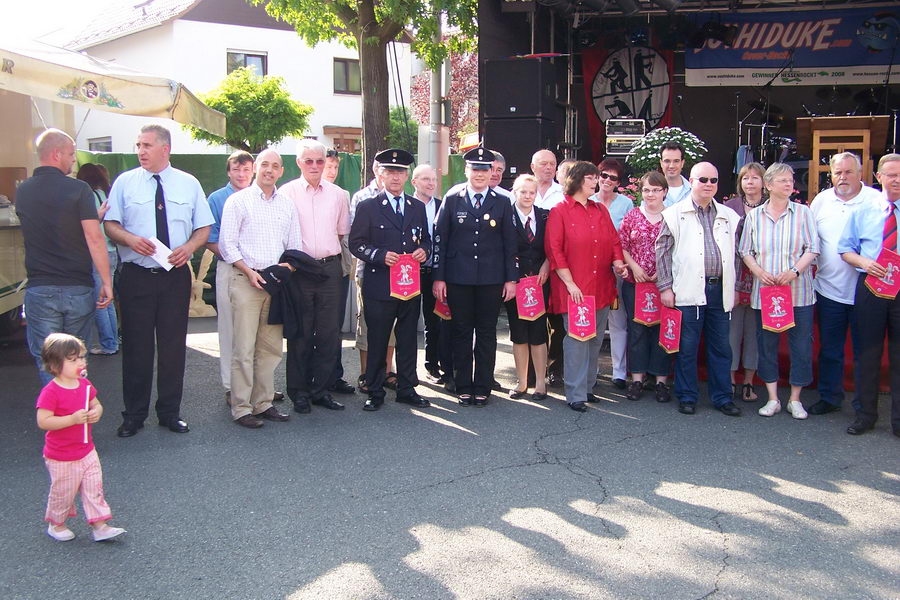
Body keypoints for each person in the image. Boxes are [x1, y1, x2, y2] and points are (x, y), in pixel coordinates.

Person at [104, 124, 213, 437]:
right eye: (138, 144)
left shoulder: (187, 183)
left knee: (173, 347)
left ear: (165, 148)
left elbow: (203, 227)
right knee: (137, 348)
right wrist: (129, 238)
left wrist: (189, 248)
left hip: (173, 276)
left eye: (147, 145)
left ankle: (170, 412)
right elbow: (110, 223)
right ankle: (133, 416)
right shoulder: (125, 182)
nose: (141, 151)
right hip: (137, 275)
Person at [15, 129, 113, 385]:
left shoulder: (23, 190)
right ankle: (76, 414)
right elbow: (95, 238)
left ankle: (56, 419)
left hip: (40, 287)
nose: (73, 160)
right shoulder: (79, 189)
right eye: (71, 154)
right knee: (75, 359)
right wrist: (106, 281)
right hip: (78, 287)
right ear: (56, 154)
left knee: (47, 360)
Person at [219, 150, 300, 428]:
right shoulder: (237, 201)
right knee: (243, 347)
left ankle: (263, 403)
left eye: (275, 166)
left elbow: (294, 246)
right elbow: (227, 244)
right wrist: (248, 271)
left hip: (275, 285)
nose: (269, 170)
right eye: (264, 164)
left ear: (281, 171)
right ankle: (241, 408)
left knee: (271, 348)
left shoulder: (287, 204)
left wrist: (286, 270)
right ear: (255, 168)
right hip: (245, 281)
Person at [432, 147, 518, 406]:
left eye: (485, 169)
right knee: (460, 331)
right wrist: (439, 277)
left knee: (486, 333)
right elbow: (440, 240)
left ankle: (482, 385)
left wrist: (511, 279)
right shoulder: (453, 197)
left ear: (492, 172)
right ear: (466, 170)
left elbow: (510, 243)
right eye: (475, 169)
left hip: (491, 280)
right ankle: (463, 384)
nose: (479, 174)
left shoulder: (502, 201)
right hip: (458, 277)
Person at [656, 162, 742, 417]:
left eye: (713, 180)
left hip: (719, 289)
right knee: (688, 347)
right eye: (702, 179)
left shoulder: (729, 215)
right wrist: (665, 287)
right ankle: (687, 396)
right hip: (688, 289)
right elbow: (662, 252)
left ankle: (723, 397)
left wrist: (735, 287)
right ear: (691, 181)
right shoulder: (674, 213)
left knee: (721, 348)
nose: (708, 184)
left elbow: (736, 255)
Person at [350, 149, 431, 411]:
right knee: (378, 339)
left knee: (408, 339)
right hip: (380, 284)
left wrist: (424, 251)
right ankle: (375, 390)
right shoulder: (368, 206)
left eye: (400, 172)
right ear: (381, 175)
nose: (396, 177)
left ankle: (407, 388)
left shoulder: (417, 207)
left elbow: (426, 239)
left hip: (409, 285)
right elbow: (356, 244)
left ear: (407, 176)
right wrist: (380, 255)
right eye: (390, 172)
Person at [739, 163, 818, 420]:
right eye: (783, 180)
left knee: (801, 347)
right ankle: (772, 397)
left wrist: (794, 271)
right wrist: (759, 272)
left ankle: (795, 398)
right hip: (767, 292)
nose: (789, 184)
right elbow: (745, 251)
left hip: (798, 292)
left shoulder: (804, 213)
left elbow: (813, 248)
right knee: (767, 345)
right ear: (769, 185)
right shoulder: (755, 216)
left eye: (790, 180)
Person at [546, 161, 628, 412]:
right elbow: (554, 250)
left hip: (601, 285)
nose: (597, 182)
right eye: (592, 178)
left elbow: (614, 241)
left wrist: (618, 262)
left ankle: (589, 386)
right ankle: (575, 392)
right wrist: (570, 283)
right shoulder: (560, 210)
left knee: (593, 340)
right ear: (578, 180)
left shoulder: (600, 210)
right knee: (577, 340)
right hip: (575, 288)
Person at [280, 139, 351, 414]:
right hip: (299, 270)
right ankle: (298, 392)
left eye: (319, 161)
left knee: (329, 332)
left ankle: (320, 390)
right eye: (308, 161)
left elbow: (341, 232)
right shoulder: (286, 193)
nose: (314, 166)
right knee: (300, 332)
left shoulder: (338, 195)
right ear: (298, 163)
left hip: (330, 268)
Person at [808, 152, 881, 416]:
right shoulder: (822, 201)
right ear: (831, 175)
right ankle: (830, 397)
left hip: (869, 292)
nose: (843, 177)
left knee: (866, 353)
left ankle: (864, 406)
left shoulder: (876, 200)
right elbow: (809, 239)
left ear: (861, 173)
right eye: (838, 173)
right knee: (830, 350)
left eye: (849, 172)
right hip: (829, 291)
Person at [36, 333, 125, 542]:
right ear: (55, 365)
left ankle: (100, 525)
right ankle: (57, 524)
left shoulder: (84, 385)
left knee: (94, 487)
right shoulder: (51, 391)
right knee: (63, 493)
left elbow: (96, 403)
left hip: (86, 450)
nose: (80, 363)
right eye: (73, 359)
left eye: (81, 358)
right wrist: (72, 419)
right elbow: (43, 421)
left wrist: (97, 412)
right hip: (61, 455)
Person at [838, 153, 900, 437]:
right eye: (890, 174)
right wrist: (865, 263)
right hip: (872, 286)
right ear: (878, 177)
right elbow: (845, 249)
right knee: (868, 353)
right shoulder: (864, 210)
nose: (895, 179)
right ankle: (865, 414)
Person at [205, 150, 255, 403]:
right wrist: (236, 258)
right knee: (229, 328)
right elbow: (209, 238)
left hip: (258, 271)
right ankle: (230, 386)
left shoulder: (261, 196)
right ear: (228, 171)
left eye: (246, 170)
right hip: (228, 268)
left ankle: (256, 386)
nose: (242, 174)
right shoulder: (217, 199)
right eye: (237, 169)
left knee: (258, 330)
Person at [618, 171, 672, 402]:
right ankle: (637, 379)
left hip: (664, 285)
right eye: (647, 190)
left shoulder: (673, 217)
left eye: (656, 190)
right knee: (637, 330)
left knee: (662, 331)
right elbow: (621, 246)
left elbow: (678, 249)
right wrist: (635, 268)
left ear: (665, 192)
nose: (651, 194)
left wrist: (663, 272)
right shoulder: (632, 216)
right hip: (636, 283)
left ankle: (660, 381)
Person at [350, 161, 397, 393]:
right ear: (376, 171)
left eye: (397, 171)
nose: (391, 174)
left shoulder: (400, 197)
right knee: (368, 326)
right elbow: (355, 238)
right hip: (369, 272)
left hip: (398, 276)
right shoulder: (362, 198)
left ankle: (386, 372)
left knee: (391, 329)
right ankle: (367, 374)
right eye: (385, 169)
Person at [723, 162, 766, 403]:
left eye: (755, 178)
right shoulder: (730, 207)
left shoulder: (771, 208)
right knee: (732, 331)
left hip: (762, 279)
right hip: (735, 277)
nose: (750, 182)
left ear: (763, 182)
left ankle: (749, 381)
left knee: (754, 333)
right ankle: (729, 379)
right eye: (745, 178)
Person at [506, 175, 551, 401]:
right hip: (516, 284)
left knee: (538, 333)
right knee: (519, 333)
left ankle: (541, 382)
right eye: (523, 192)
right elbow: (502, 250)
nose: (527, 196)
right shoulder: (506, 217)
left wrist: (547, 265)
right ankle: (522, 381)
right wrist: (510, 279)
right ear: (515, 192)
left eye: (531, 192)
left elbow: (554, 247)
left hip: (540, 283)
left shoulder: (545, 216)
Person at [589, 157, 633, 390]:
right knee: (594, 321)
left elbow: (627, 237)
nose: (607, 180)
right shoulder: (588, 200)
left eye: (612, 178)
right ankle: (591, 370)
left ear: (618, 182)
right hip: (591, 270)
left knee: (618, 320)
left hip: (617, 269)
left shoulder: (626, 204)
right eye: (603, 175)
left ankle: (618, 371)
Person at [322, 148, 356, 395]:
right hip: (309, 266)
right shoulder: (294, 192)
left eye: (335, 167)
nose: (331, 172)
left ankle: (334, 376)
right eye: (327, 166)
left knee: (333, 325)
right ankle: (313, 377)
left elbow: (344, 231)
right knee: (312, 325)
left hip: (338, 265)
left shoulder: (342, 194)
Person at [75, 163, 118, 357]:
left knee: (99, 300)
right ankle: (113, 339)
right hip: (112, 251)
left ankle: (108, 343)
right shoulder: (105, 194)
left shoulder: (88, 196)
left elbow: (89, 229)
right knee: (107, 298)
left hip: (97, 253)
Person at [411, 164, 448, 384]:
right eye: (426, 179)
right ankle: (405, 372)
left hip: (435, 272)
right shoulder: (406, 205)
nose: (431, 184)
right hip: (409, 272)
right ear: (414, 182)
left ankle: (433, 366)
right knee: (406, 322)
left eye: (433, 179)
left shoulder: (443, 206)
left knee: (435, 321)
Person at [547, 157, 577, 387]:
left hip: (559, 268)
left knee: (561, 324)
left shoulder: (569, 199)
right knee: (533, 322)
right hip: (530, 269)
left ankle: (557, 368)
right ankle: (531, 371)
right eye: (564, 172)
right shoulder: (524, 189)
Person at [660, 141, 692, 207]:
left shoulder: (694, 191)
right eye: (667, 161)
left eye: (676, 161)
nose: (671, 166)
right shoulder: (651, 192)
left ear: (682, 163)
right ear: (661, 163)